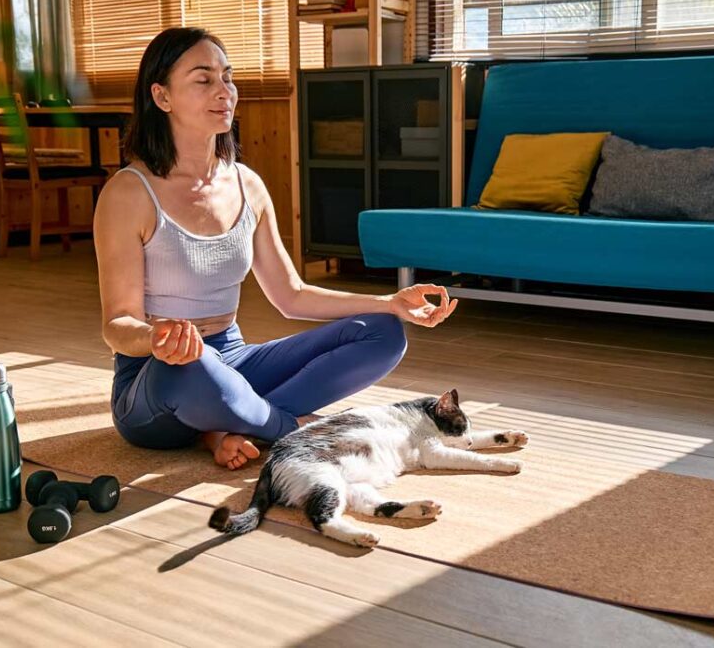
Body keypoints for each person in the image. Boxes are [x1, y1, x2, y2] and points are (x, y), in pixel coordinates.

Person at [93, 27, 457, 470]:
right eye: (203, 79)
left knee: (382, 331)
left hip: (232, 358)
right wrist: (156, 339)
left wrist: (389, 302)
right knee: (192, 366)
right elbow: (117, 324)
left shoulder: (248, 185)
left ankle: (230, 427)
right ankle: (296, 429)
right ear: (162, 96)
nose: (224, 91)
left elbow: (290, 295)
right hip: (156, 381)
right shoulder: (128, 193)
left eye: (227, 78)